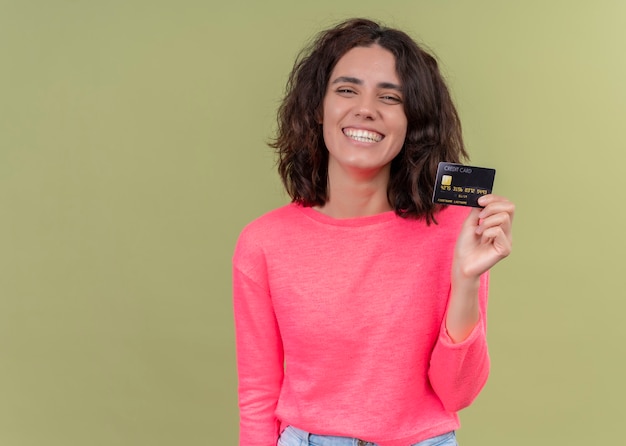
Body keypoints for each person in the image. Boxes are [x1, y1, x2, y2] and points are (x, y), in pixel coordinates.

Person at [232, 18, 514, 446]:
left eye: (390, 97)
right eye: (347, 90)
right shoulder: (263, 242)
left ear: (412, 122)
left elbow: (458, 393)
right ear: (317, 107)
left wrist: (466, 279)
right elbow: (257, 395)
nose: (366, 108)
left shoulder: (456, 231)